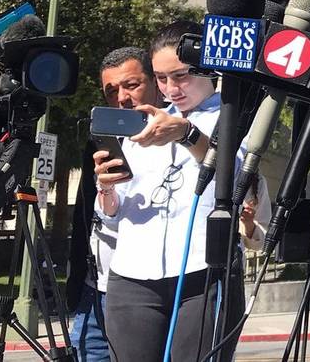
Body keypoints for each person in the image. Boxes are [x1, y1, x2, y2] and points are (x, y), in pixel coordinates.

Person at [93, 21, 245, 361]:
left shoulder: (233, 115)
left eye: (180, 76)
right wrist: (106, 188)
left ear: (207, 68)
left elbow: (237, 178)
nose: (171, 88)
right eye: (161, 78)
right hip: (132, 276)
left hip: (202, 273)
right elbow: (112, 216)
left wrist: (187, 134)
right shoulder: (148, 119)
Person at [69, 47, 157, 361]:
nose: (121, 98)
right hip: (94, 290)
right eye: (111, 91)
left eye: (131, 85)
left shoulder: (176, 143)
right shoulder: (100, 143)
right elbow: (86, 216)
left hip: (144, 294)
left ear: (155, 82)